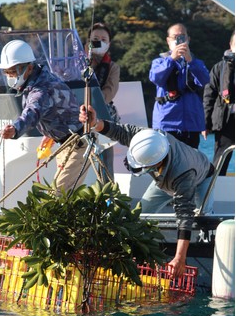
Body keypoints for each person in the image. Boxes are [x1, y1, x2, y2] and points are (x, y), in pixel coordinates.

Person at [79, 104, 215, 278]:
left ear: (155, 163)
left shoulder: (184, 175)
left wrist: (179, 258)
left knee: (201, 219)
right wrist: (95, 123)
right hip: (163, 179)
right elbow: (119, 131)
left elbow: (184, 217)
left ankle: (206, 254)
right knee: (140, 214)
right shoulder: (148, 138)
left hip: (202, 177)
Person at [0, 39, 90, 193]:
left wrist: (15, 129)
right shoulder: (37, 81)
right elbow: (55, 111)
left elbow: (33, 111)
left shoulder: (41, 89)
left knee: (58, 194)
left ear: (28, 68)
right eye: (7, 73)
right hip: (66, 144)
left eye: (12, 72)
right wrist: (50, 133)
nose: (10, 76)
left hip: (78, 145)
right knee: (62, 195)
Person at [149, 23, 210, 149]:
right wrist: (172, 59)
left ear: (188, 39)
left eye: (182, 37)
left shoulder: (196, 62)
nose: (179, 40)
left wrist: (190, 61)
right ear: (168, 41)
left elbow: (204, 80)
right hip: (166, 123)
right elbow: (156, 78)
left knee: (190, 163)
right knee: (167, 163)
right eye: (175, 37)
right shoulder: (159, 61)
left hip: (191, 124)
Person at [85, 22, 120, 181]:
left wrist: (93, 102)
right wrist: (88, 60)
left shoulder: (113, 67)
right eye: (95, 39)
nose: (99, 42)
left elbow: (109, 92)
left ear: (109, 44)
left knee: (105, 162)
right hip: (81, 116)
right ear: (88, 42)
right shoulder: (79, 63)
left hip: (104, 118)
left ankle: (108, 199)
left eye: (103, 39)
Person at [203, 31, 235, 175]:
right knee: (220, 162)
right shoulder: (219, 68)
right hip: (226, 121)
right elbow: (209, 96)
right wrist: (205, 123)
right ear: (231, 45)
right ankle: (212, 192)